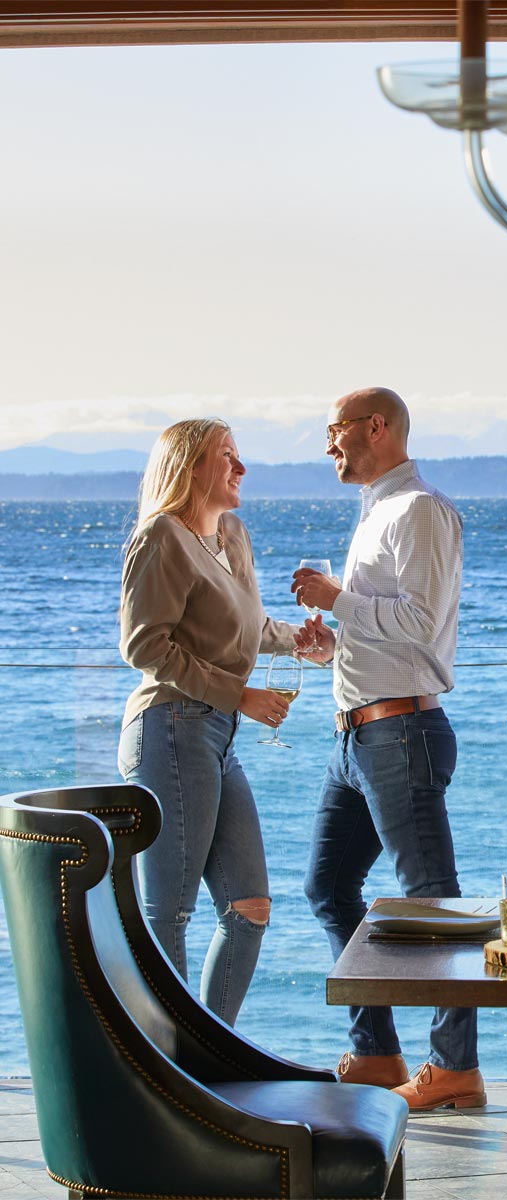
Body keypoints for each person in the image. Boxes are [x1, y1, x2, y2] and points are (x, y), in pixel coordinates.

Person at [293, 386, 484, 1111]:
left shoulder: (420, 511)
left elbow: (420, 623)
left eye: (336, 431)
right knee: (328, 888)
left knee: (432, 901)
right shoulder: (375, 511)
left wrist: (336, 598)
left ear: (377, 427)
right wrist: (332, 649)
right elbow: (389, 637)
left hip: (400, 733)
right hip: (359, 733)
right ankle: (376, 1053)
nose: (329, 446)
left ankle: (456, 1067)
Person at [118, 417, 297, 1025]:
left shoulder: (233, 535)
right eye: (227, 456)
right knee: (168, 913)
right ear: (190, 466)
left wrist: (301, 640)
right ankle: (166, 1066)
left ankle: (209, 1051)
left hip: (217, 735)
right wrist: (239, 694)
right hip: (170, 727)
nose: (242, 468)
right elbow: (144, 647)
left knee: (250, 907)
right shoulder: (161, 537)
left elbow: (244, 630)